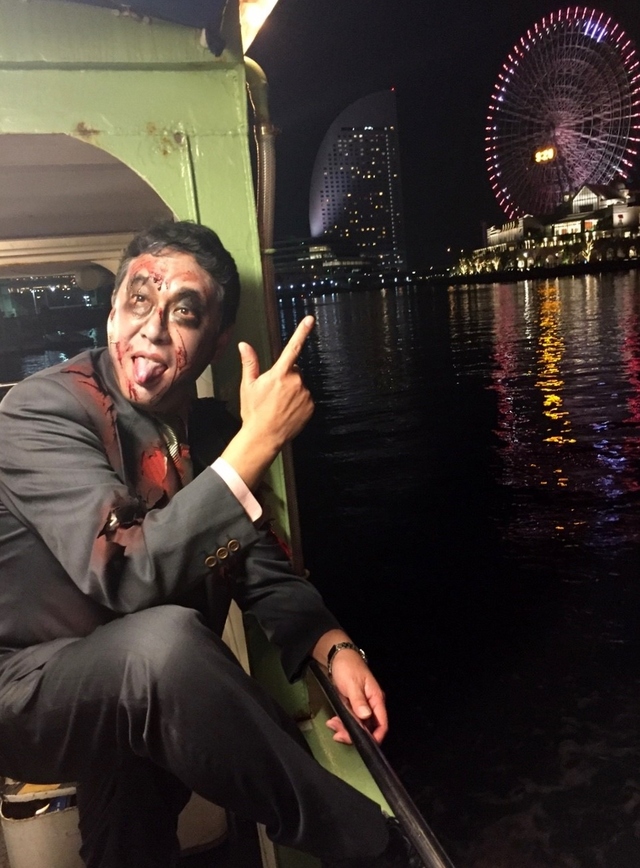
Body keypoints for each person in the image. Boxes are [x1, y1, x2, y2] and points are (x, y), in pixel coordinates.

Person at [0, 221, 418, 868]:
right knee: (162, 647)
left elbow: (252, 561)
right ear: (112, 311)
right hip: (27, 692)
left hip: (132, 686)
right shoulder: (41, 411)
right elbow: (125, 573)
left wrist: (330, 644)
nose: (153, 329)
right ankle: (377, 849)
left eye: (185, 313)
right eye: (140, 300)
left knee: (133, 829)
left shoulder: (208, 430)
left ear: (217, 339)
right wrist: (259, 442)